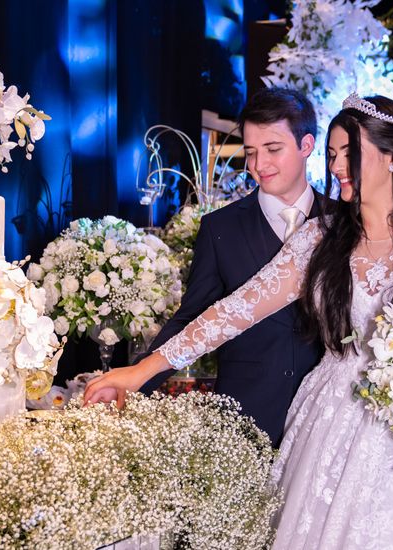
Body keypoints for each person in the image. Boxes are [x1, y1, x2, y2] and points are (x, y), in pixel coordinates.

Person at [86, 95, 393, 545]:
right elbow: (233, 311)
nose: (335, 166)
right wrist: (140, 371)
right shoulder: (320, 237)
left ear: (390, 156)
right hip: (336, 414)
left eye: (347, 153)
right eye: (332, 154)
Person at [136, 87, 325, 447]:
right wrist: (136, 383)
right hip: (243, 418)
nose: (258, 165)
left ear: (306, 146)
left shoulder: (342, 221)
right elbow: (190, 317)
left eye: (272, 149)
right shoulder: (219, 228)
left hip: (320, 420)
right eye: (250, 153)